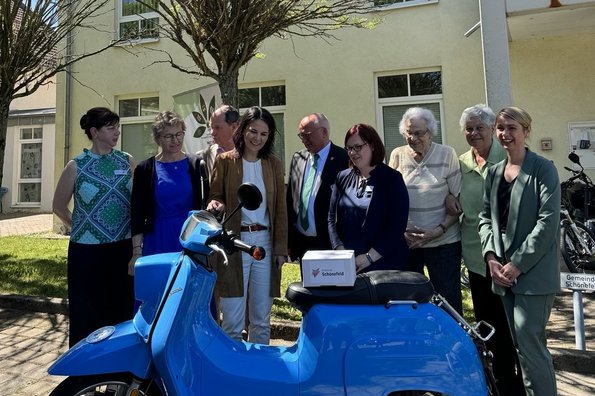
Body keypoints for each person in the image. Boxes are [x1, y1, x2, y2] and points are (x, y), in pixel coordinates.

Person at [478, 106, 560, 396]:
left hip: (532, 276)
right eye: (501, 127)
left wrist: (516, 264)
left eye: (512, 128)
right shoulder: (495, 172)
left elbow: (548, 223)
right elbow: (485, 218)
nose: (505, 134)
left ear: (527, 131)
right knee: (521, 349)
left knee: (532, 348)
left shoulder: (543, 169)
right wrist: (490, 257)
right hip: (502, 274)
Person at [455, 104, 524, 395]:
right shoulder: (460, 163)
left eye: (479, 128)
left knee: (514, 326)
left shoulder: (507, 159)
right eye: (468, 129)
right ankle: (498, 382)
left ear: (491, 131)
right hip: (475, 256)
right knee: (488, 325)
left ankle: (519, 384)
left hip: (509, 260)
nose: (473, 133)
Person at [53, 107, 135, 347]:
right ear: (94, 132)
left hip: (122, 248)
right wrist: (83, 227)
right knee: (87, 311)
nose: (117, 132)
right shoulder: (76, 166)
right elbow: (58, 206)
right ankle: (85, 375)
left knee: (120, 310)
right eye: (111, 128)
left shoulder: (126, 160)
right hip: (86, 252)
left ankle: (118, 373)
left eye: (117, 127)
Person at [207, 106, 288, 344]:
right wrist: (216, 204)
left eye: (264, 134)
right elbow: (215, 196)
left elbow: (280, 210)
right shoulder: (225, 161)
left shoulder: (274, 164)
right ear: (242, 130)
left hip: (264, 243)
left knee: (261, 319)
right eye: (253, 131)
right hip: (235, 244)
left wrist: (281, 249)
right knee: (232, 320)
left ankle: (259, 374)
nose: (257, 138)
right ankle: (233, 374)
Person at [388, 107, 463, 314]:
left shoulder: (447, 154)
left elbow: (458, 201)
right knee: (410, 301)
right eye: (409, 133)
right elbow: (391, 199)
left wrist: (439, 229)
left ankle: (452, 343)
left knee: (448, 300)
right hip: (408, 243)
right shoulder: (397, 155)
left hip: (443, 242)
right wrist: (401, 231)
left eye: (419, 133)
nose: (413, 138)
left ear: (430, 132)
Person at [129, 110, 209, 272]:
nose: (175, 140)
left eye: (179, 134)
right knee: (158, 292)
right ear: (158, 139)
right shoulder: (145, 169)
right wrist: (136, 252)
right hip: (157, 240)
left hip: (190, 240)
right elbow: (136, 214)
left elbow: (206, 205)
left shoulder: (197, 164)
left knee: (189, 292)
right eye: (168, 136)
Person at [328, 124, 409, 272]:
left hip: (384, 265)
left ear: (372, 145)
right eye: (349, 148)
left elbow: (397, 226)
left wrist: (369, 257)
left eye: (358, 147)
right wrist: (340, 250)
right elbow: (332, 219)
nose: (353, 153)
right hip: (349, 264)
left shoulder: (392, 179)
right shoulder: (342, 177)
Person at [286, 113, 349, 261]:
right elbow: (290, 200)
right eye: (301, 136)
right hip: (302, 244)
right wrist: (288, 241)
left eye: (307, 135)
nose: (304, 141)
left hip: (330, 243)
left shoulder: (343, 159)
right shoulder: (298, 158)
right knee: (306, 284)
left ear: (324, 132)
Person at [197, 105, 240, 180]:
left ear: (234, 127)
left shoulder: (250, 153)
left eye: (217, 128)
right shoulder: (205, 156)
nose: (212, 133)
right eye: (211, 127)